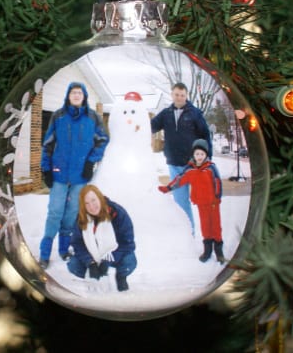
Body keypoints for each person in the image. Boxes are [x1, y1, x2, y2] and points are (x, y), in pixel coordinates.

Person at [39, 82, 109, 269]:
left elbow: (103, 140)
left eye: (80, 92)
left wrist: (90, 161)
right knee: (55, 212)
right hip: (59, 173)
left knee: (71, 213)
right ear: (68, 96)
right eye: (73, 92)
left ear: (84, 96)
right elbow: (47, 144)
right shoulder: (58, 116)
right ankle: (44, 253)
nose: (76, 95)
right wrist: (46, 168)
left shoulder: (93, 117)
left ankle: (63, 249)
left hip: (81, 174)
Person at [150, 82, 213, 234]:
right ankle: (188, 234)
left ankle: (211, 236)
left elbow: (205, 135)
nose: (179, 98)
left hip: (194, 165)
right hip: (175, 165)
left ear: (186, 96)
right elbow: (149, 127)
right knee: (180, 202)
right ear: (172, 95)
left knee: (204, 202)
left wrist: (207, 158)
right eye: (177, 94)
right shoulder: (166, 114)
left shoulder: (195, 114)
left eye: (182, 95)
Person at [158, 139, 224, 263]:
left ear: (206, 155)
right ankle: (207, 250)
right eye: (197, 154)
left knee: (215, 227)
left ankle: (219, 252)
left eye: (202, 154)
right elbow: (179, 180)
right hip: (201, 204)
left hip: (213, 203)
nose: (199, 157)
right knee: (205, 227)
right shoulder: (190, 169)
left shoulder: (211, 168)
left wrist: (217, 197)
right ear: (193, 155)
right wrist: (167, 188)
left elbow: (217, 182)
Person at [67, 185, 137, 292]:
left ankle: (120, 277)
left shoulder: (117, 213)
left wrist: (108, 260)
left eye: (93, 200)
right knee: (73, 265)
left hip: (113, 255)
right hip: (92, 256)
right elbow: (77, 243)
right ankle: (93, 277)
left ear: (99, 197)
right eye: (86, 203)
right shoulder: (81, 218)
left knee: (129, 261)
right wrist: (90, 263)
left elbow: (127, 244)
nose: (91, 206)